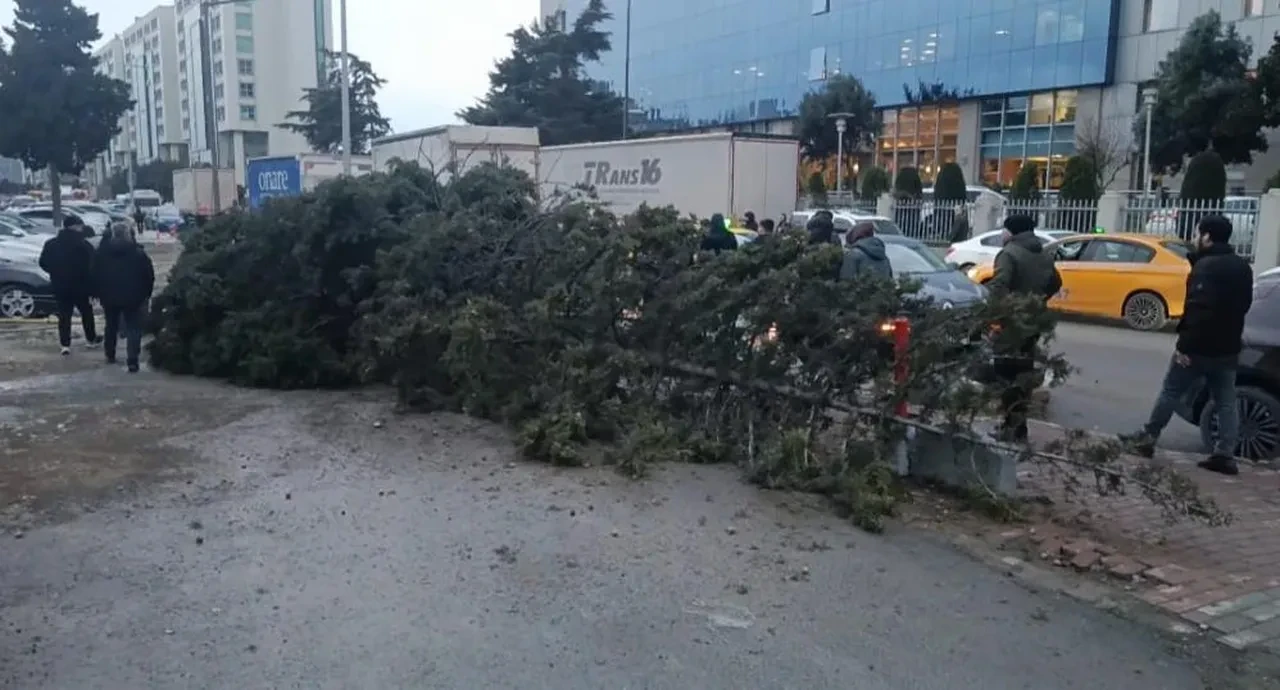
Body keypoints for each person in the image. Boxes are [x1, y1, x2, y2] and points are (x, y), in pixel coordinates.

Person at [1121, 215, 1253, 475]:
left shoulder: (1207, 268)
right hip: (1228, 347)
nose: (1194, 238)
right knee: (1226, 401)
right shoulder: (1242, 267)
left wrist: (1184, 345)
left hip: (1198, 346)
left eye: (1197, 234)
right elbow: (1244, 305)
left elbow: (1198, 309)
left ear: (1207, 236)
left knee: (1171, 391)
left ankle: (1147, 439)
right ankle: (1225, 454)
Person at [986, 214, 1063, 442]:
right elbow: (1056, 282)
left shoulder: (1008, 254)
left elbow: (999, 286)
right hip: (1034, 321)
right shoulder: (1043, 254)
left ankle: (1010, 427)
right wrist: (1038, 300)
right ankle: (1019, 428)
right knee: (1023, 374)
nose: (1002, 233)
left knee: (1006, 375)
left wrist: (994, 313)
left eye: (1004, 229)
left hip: (1011, 323)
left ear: (1012, 232)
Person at [93, 222, 155, 373]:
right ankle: (132, 360)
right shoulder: (138, 253)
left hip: (109, 296)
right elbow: (148, 276)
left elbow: (94, 275)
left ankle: (110, 354)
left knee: (111, 325)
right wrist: (145, 294)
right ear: (129, 234)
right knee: (134, 328)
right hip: (133, 297)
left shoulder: (102, 253)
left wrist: (98, 293)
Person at [39, 215, 100, 355]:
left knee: (64, 315)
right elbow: (93, 266)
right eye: (80, 226)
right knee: (86, 313)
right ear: (74, 227)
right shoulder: (84, 245)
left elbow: (43, 262)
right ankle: (90, 340)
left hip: (60, 285)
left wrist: (55, 272)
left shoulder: (51, 244)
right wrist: (93, 287)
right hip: (81, 286)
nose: (81, 229)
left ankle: (65, 344)